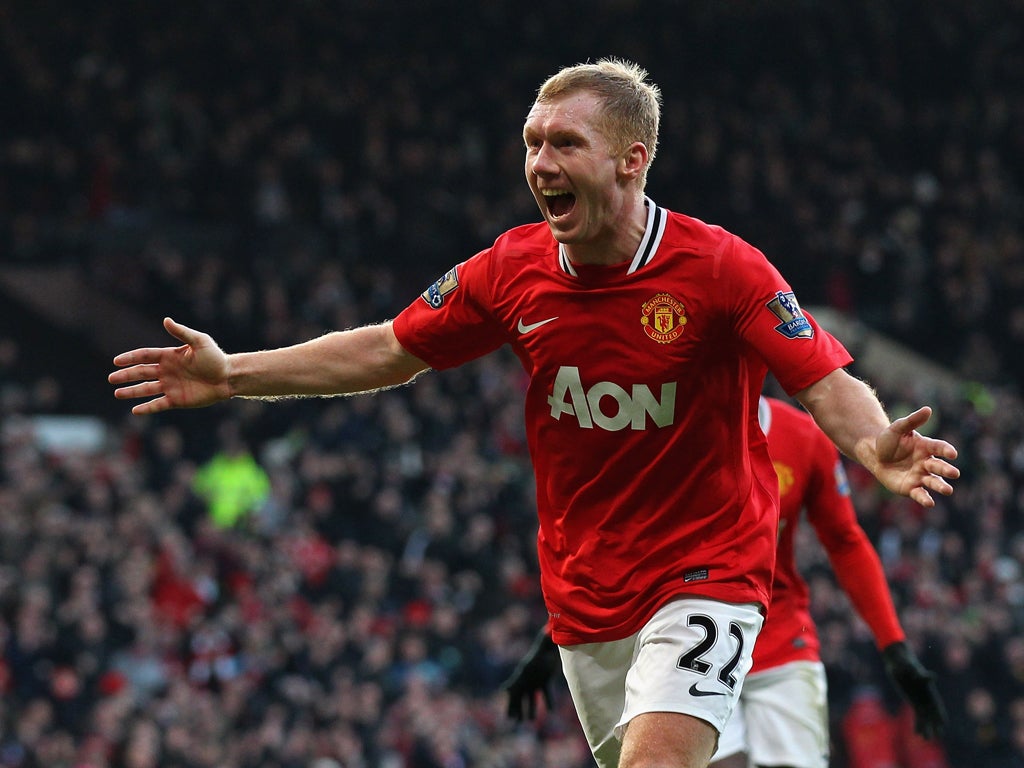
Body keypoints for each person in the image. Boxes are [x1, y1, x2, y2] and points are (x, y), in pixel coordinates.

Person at [108, 58, 959, 768]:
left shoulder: (722, 269)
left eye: (565, 144)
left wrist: (870, 445)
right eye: (532, 143)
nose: (540, 163)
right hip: (584, 592)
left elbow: (821, 379)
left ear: (632, 160)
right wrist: (234, 375)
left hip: (710, 571)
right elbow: (387, 348)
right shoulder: (510, 270)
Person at [503, 395, 949, 768]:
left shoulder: (804, 437)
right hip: (689, 630)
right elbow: (624, 542)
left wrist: (895, 648)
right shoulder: (668, 435)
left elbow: (847, 542)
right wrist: (552, 638)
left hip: (780, 640)